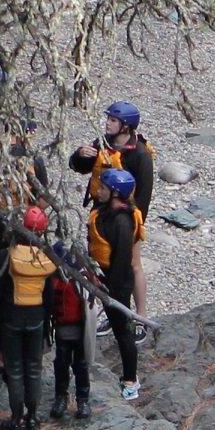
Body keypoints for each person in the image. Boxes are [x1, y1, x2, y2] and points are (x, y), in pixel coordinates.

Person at [70, 101, 155, 322]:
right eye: (109, 119)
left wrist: (135, 225)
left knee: (133, 264)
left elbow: (144, 194)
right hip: (102, 214)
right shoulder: (103, 143)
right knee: (104, 262)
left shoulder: (140, 155)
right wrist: (80, 156)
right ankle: (114, 313)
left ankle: (141, 315)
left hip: (127, 218)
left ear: (125, 126)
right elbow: (79, 167)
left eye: (113, 120)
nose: (108, 123)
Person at [0, 205, 58, 430]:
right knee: (34, 369)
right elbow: (49, 297)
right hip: (37, 317)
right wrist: (48, 326)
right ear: (42, 231)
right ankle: (32, 419)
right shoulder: (46, 258)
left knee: (14, 370)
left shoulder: (6, 255)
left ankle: (17, 419)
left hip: (11, 317)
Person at [85, 167, 144, 404]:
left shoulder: (121, 222)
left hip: (114, 282)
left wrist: (109, 289)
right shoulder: (104, 211)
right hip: (100, 275)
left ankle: (131, 379)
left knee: (123, 332)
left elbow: (121, 261)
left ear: (116, 193)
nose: (98, 191)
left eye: (103, 188)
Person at [46, 247, 92, 422]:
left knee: (80, 365)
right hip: (62, 330)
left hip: (79, 330)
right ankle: (61, 397)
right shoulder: (54, 281)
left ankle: (82, 400)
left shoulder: (81, 280)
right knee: (61, 364)